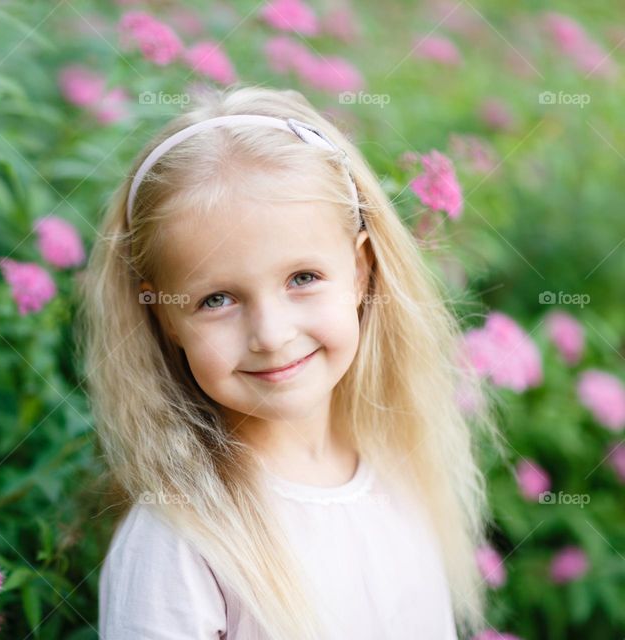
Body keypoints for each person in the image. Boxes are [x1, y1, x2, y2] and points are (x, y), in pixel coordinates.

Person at [78, 84, 500, 640]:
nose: (271, 336)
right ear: (165, 316)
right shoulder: (180, 541)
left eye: (302, 278)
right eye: (217, 300)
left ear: (361, 272)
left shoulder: (403, 471)